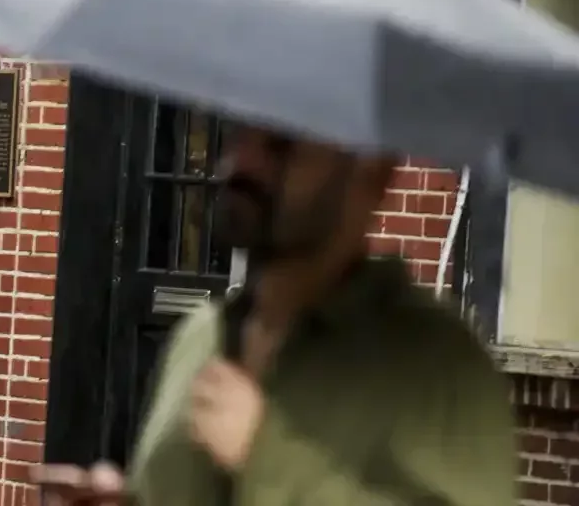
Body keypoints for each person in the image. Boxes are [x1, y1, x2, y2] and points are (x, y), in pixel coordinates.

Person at [32, 122, 516, 506]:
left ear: (372, 173)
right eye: (239, 133)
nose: (241, 163)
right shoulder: (199, 337)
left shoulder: (442, 366)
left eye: (282, 145)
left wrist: (265, 456)